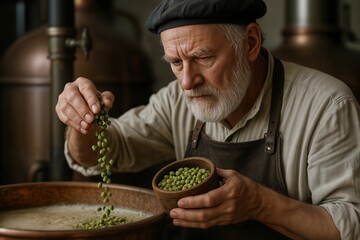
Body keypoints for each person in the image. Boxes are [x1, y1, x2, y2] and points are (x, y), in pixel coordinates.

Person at [55, 0, 360, 239]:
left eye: (203, 57)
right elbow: (106, 152)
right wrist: (84, 121)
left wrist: (260, 203)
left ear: (250, 43)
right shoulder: (176, 99)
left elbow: (349, 226)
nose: (187, 82)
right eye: (176, 62)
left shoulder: (327, 105)